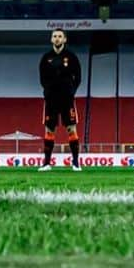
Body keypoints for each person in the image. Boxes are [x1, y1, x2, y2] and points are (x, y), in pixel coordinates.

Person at [38, 28, 82, 172]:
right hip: (51, 99)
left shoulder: (71, 57)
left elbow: (78, 77)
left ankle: (75, 163)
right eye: (55, 36)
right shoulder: (46, 58)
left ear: (64, 39)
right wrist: (47, 91)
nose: (57, 39)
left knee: (71, 129)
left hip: (67, 99)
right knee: (49, 130)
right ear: (51, 39)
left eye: (59, 36)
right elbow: (42, 78)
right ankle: (46, 163)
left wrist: (71, 91)